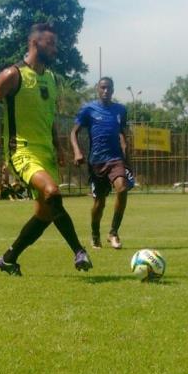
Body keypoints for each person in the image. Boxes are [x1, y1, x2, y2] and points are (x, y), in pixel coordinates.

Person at [0, 23, 92, 276]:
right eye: (51, 44)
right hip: (21, 151)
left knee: (45, 214)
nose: (55, 49)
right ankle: (79, 251)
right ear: (34, 43)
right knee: (52, 193)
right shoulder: (12, 75)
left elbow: (48, 118)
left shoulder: (50, 79)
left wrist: (59, 147)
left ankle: (8, 259)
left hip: (46, 154)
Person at [70, 76, 134, 250]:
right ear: (98, 89)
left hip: (116, 159)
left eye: (109, 88)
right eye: (103, 88)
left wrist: (125, 151)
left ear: (113, 90)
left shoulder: (120, 110)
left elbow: (122, 132)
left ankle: (113, 233)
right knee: (100, 203)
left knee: (122, 189)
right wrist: (77, 151)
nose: (106, 91)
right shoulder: (88, 109)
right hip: (97, 161)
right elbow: (73, 133)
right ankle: (95, 235)